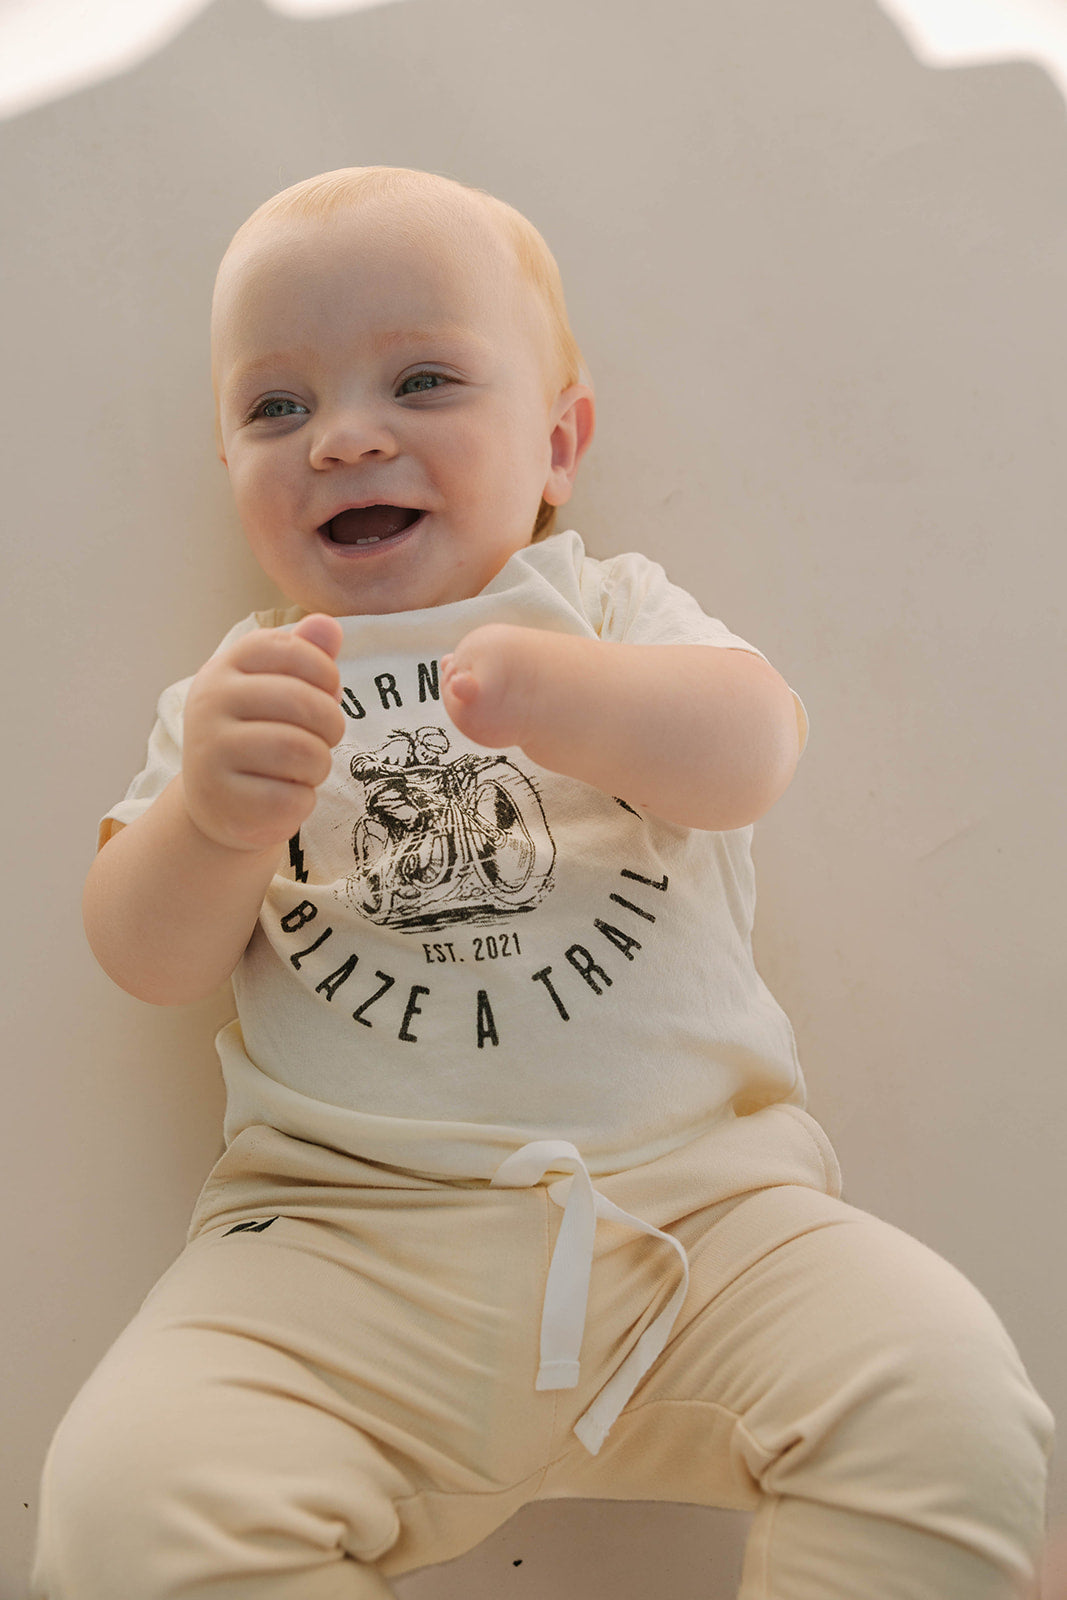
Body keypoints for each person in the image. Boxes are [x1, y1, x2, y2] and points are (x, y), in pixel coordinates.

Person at [31, 166, 1054, 1600]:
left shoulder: (610, 610)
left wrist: (575, 699)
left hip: (698, 1220)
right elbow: (145, 953)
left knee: (943, 1392)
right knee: (124, 1496)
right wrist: (208, 816)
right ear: (229, 469)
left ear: (559, 442)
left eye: (426, 379)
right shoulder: (238, 693)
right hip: (333, 1252)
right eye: (276, 407)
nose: (344, 438)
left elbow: (754, 750)